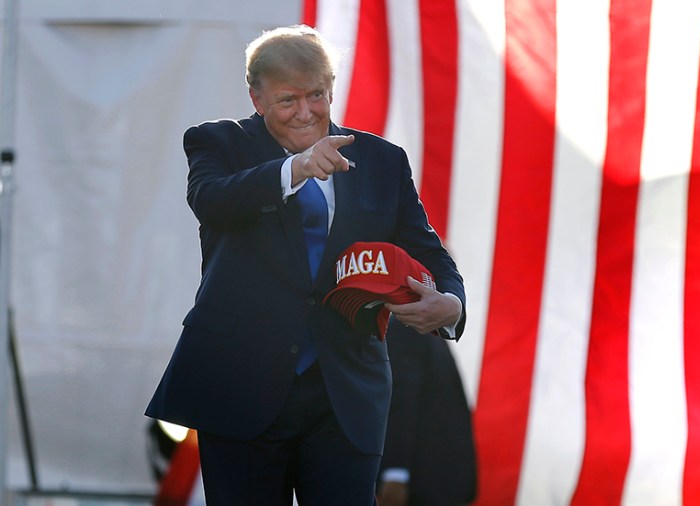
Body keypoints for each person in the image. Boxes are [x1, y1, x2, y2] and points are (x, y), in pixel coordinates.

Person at [145, 24, 466, 506]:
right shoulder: (218, 143)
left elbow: (428, 249)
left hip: (345, 393)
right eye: (287, 100)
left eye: (317, 94)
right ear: (256, 98)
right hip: (240, 386)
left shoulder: (381, 160)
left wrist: (451, 302)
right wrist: (294, 169)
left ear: (332, 86)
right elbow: (212, 201)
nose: (306, 112)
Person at [378, 319, 477, 506]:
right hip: (445, 477)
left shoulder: (404, 329)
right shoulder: (427, 329)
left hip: (420, 481)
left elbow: (402, 401)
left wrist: (395, 473)